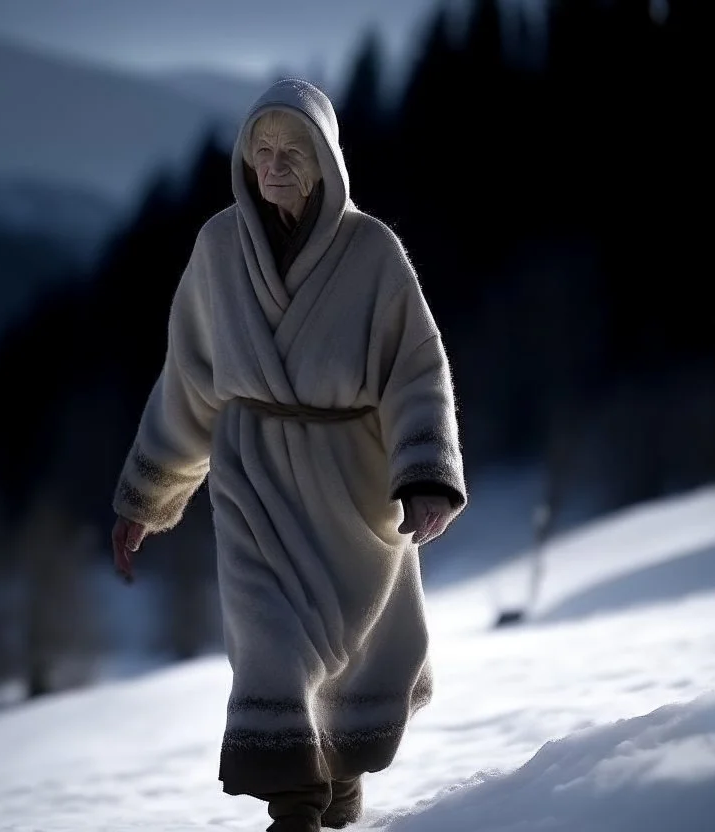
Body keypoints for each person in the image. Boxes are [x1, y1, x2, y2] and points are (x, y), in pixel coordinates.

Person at [110, 78, 467, 832]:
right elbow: (189, 382)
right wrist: (147, 497)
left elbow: (416, 369)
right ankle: (294, 811)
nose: (273, 167)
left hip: (354, 485)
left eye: (291, 152)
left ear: (327, 160)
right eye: (261, 152)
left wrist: (427, 475)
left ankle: (334, 797)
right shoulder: (216, 249)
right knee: (269, 647)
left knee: (350, 664)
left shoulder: (373, 253)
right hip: (252, 479)